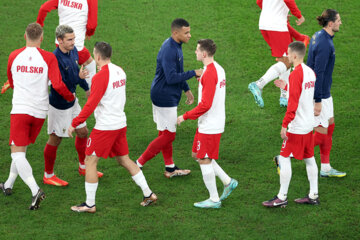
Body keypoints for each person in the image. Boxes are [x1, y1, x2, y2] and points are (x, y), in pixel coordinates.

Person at [69, 42, 157, 213]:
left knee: (90, 161)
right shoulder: (120, 71)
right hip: (120, 123)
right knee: (124, 159)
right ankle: (148, 193)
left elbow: (91, 105)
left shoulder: (100, 76)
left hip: (105, 127)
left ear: (98, 56)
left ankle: (89, 204)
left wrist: (75, 123)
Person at [0, 23, 75, 209]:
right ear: (42, 38)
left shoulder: (14, 56)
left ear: (25, 36)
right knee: (20, 149)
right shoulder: (49, 57)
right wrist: (70, 97)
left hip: (20, 110)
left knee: (17, 153)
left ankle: (35, 191)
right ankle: (8, 184)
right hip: (40, 112)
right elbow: (57, 84)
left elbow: (11, 79)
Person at [135, 18, 202, 178]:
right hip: (164, 96)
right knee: (169, 135)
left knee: (164, 133)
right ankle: (138, 164)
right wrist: (194, 73)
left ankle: (170, 168)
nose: (190, 36)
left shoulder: (176, 46)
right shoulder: (169, 50)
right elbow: (172, 77)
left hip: (165, 93)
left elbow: (177, 70)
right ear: (175, 33)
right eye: (186, 33)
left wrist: (186, 89)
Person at [177, 39, 238, 208]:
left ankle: (214, 199)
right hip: (210, 122)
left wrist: (185, 116)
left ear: (204, 54)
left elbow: (206, 104)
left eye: (197, 50)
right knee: (198, 155)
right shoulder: (217, 69)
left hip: (210, 123)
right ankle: (228, 181)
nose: (195, 52)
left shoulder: (210, 73)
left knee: (204, 159)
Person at [42, 25, 103, 187]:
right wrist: (76, 84)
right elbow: (59, 85)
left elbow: (77, 71)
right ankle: (48, 175)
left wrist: (86, 88)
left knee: (83, 132)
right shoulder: (55, 59)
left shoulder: (73, 50)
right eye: (69, 39)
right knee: (55, 139)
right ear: (59, 40)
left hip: (72, 101)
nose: (73, 42)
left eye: (74, 38)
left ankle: (83, 167)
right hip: (59, 105)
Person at [263, 41, 319, 208]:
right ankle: (313, 194)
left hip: (298, 126)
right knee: (309, 158)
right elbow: (304, 94)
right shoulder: (310, 72)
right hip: (309, 124)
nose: (286, 56)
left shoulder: (295, 74)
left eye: (287, 54)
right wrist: (287, 87)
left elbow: (293, 104)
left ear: (294, 56)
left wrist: (284, 124)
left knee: (284, 157)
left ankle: (282, 197)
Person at [307, 9, 345, 177]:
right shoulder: (325, 44)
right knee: (321, 134)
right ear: (331, 23)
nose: (340, 23)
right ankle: (286, 154)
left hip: (324, 93)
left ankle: (326, 168)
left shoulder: (319, 36)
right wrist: (317, 100)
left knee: (330, 126)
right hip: (319, 94)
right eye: (338, 20)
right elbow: (319, 72)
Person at [248, 0, 305, 108]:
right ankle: (259, 84)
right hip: (277, 26)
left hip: (264, 24)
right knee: (289, 60)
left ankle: (284, 96)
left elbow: (259, 1)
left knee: (283, 58)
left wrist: (273, 12)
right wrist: (299, 16)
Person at [36, 0, 97, 88]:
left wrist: (39, 24)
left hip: (60, 42)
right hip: (75, 46)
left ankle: (44, 78)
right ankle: (91, 96)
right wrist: (90, 32)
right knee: (89, 66)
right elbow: (92, 25)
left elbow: (43, 8)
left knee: (63, 71)